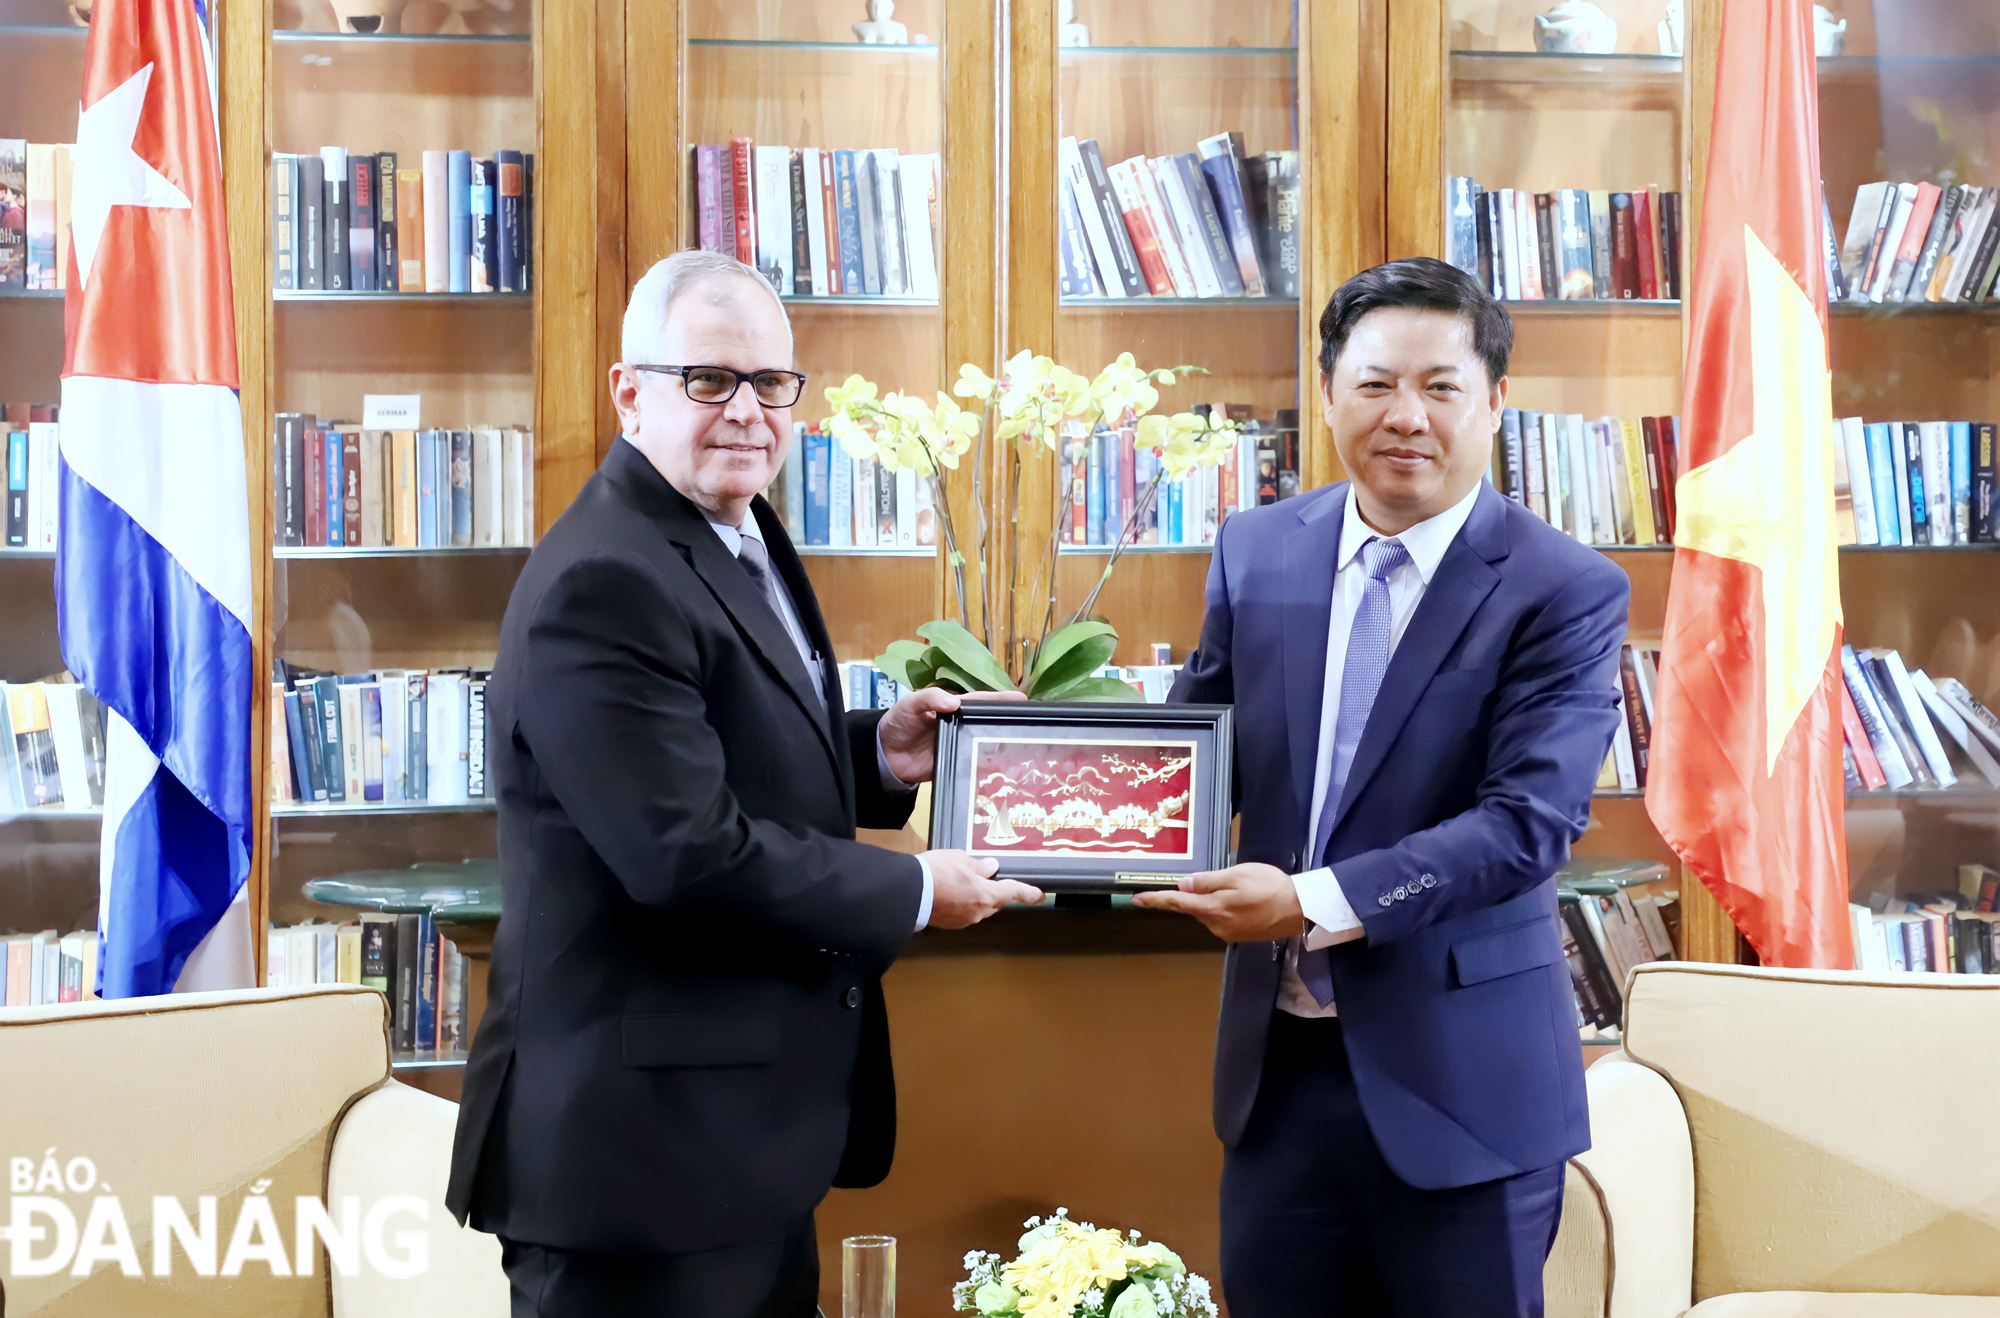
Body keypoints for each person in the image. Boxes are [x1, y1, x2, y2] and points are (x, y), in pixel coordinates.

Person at [446, 250, 1042, 1318]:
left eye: (771, 383)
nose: (749, 412)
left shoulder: (731, 525)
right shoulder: (603, 575)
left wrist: (876, 754)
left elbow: (718, 739)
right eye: (709, 380)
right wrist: (914, 889)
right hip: (635, 1165)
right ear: (629, 392)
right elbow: (682, 851)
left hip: (733, 1148)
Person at [1136, 257, 1629, 1317]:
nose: (1404, 415)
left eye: (1439, 386)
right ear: (1325, 395)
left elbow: (1523, 826)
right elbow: (1187, 748)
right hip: (1277, 1079)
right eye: (1372, 383)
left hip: (1465, 1095)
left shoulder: (1563, 588)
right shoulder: (1257, 548)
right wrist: (1032, 765)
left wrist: (1310, 902)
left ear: (1494, 401)